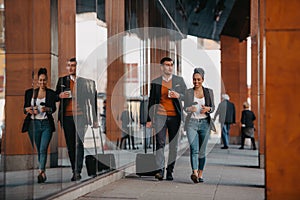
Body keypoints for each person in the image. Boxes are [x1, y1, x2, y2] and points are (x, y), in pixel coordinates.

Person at [55, 57, 98, 181]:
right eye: (69, 65)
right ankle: (74, 169)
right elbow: (55, 96)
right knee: (70, 145)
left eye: (73, 65)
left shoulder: (84, 82)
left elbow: (92, 101)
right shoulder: (62, 81)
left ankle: (77, 171)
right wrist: (59, 95)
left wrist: (95, 119)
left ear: (77, 67)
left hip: (80, 117)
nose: (70, 68)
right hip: (66, 117)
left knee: (79, 143)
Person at [146, 57, 187, 181]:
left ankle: (170, 171)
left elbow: (187, 96)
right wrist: (149, 119)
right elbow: (151, 101)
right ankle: (160, 170)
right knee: (160, 143)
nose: (169, 67)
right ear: (162, 67)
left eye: (171, 65)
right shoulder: (155, 82)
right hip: (160, 116)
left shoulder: (179, 80)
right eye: (167, 65)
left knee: (173, 145)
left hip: (175, 116)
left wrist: (178, 95)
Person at [23, 68, 57, 183]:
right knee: (39, 149)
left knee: (43, 148)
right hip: (33, 124)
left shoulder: (51, 93)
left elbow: (53, 109)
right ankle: (42, 172)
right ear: (37, 81)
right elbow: (24, 109)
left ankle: (41, 171)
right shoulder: (29, 93)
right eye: (40, 80)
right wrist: (29, 110)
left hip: (46, 124)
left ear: (47, 81)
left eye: (44, 80)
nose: (42, 82)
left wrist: (46, 109)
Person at [184, 67, 215, 183]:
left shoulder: (209, 92)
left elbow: (213, 108)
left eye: (198, 79)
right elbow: (185, 107)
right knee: (193, 149)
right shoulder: (188, 92)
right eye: (194, 79)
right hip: (191, 123)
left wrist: (208, 109)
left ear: (203, 79)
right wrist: (189, 108)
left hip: (205, 124)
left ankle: (200, 174)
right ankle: (195, 172)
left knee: (202, 151)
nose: (196, 82)